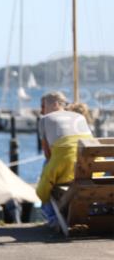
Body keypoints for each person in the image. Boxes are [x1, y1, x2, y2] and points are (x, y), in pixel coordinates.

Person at [36, 91, 94, 223]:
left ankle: (53, 219)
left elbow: (47, 154)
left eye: (43, 106)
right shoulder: (80, 117)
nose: (41, 111)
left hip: (67, 171)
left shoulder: (45, 120)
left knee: (47, 177)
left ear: (55, 104)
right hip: (90, 170)